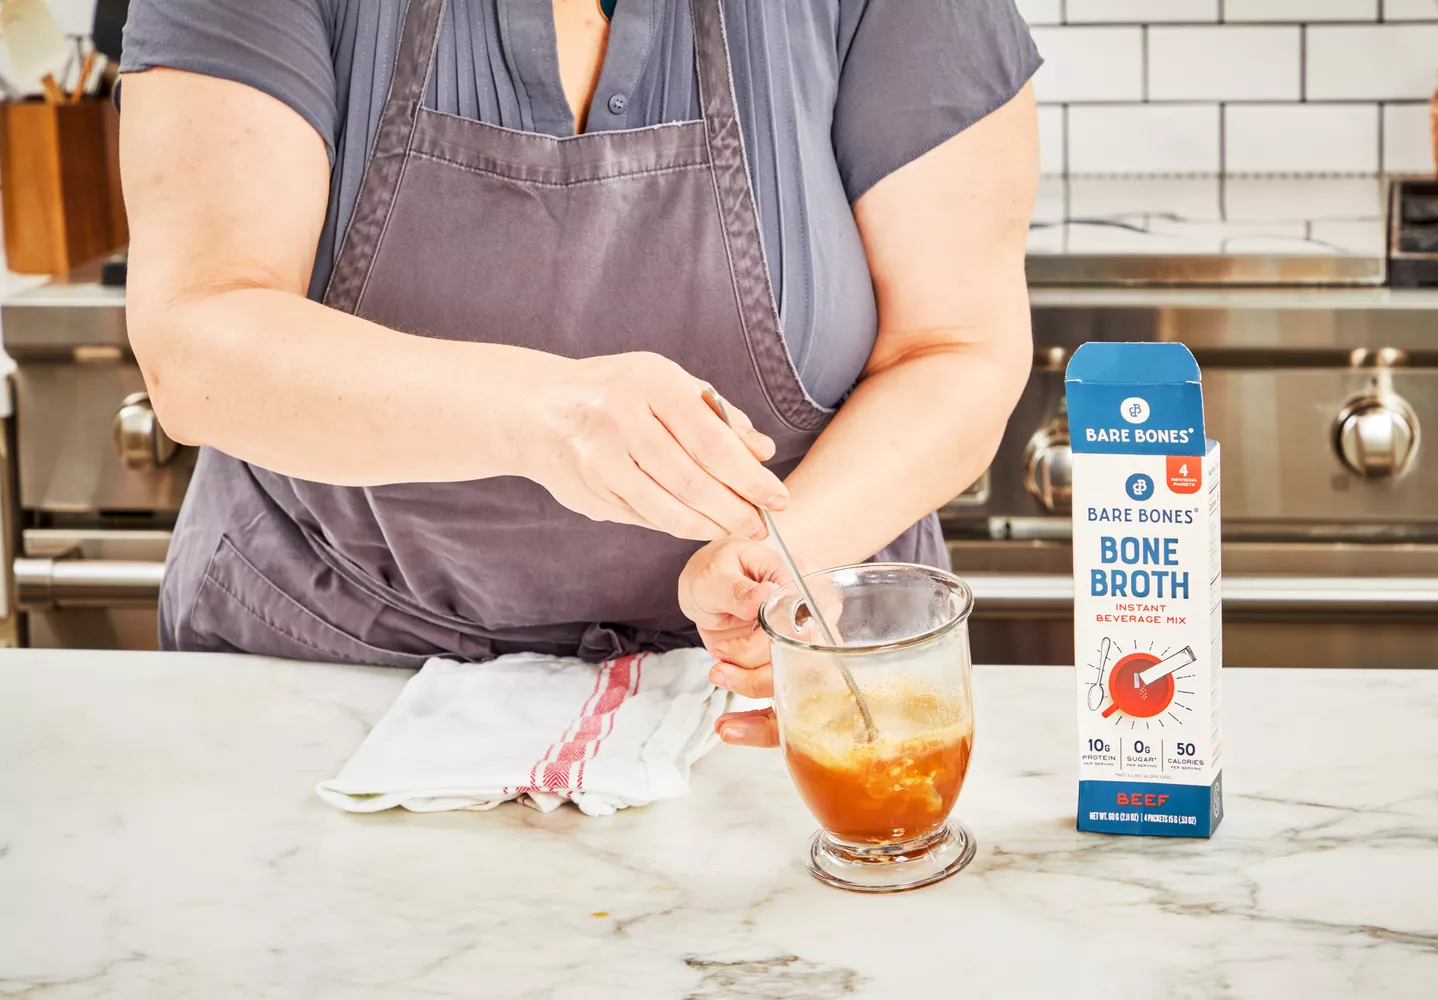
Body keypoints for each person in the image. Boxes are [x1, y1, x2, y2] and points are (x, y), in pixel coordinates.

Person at [117, 0, 1040, 749]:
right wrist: (545, 414)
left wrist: (775, 555)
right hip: (337, 666)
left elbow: (955, 347)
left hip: (778, 689)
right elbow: (199, 340)